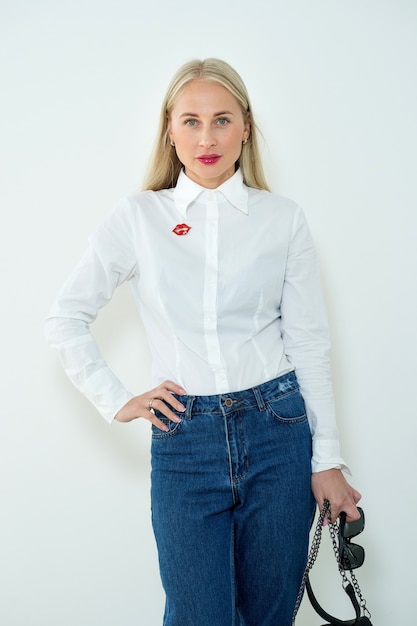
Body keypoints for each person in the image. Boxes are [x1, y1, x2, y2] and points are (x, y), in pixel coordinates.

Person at [45, 58, 361, 626]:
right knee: (198, 616)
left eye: (222, 120)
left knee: (268, 617)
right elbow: (65, 317)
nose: (207, 137)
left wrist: (327, 460)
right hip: (185, 442)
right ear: (170, 130)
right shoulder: (139, 218)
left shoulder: (282, 219)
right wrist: (117, 399)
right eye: (190, 121)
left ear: (246, 127)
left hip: (278, 434)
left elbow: (309, 344)